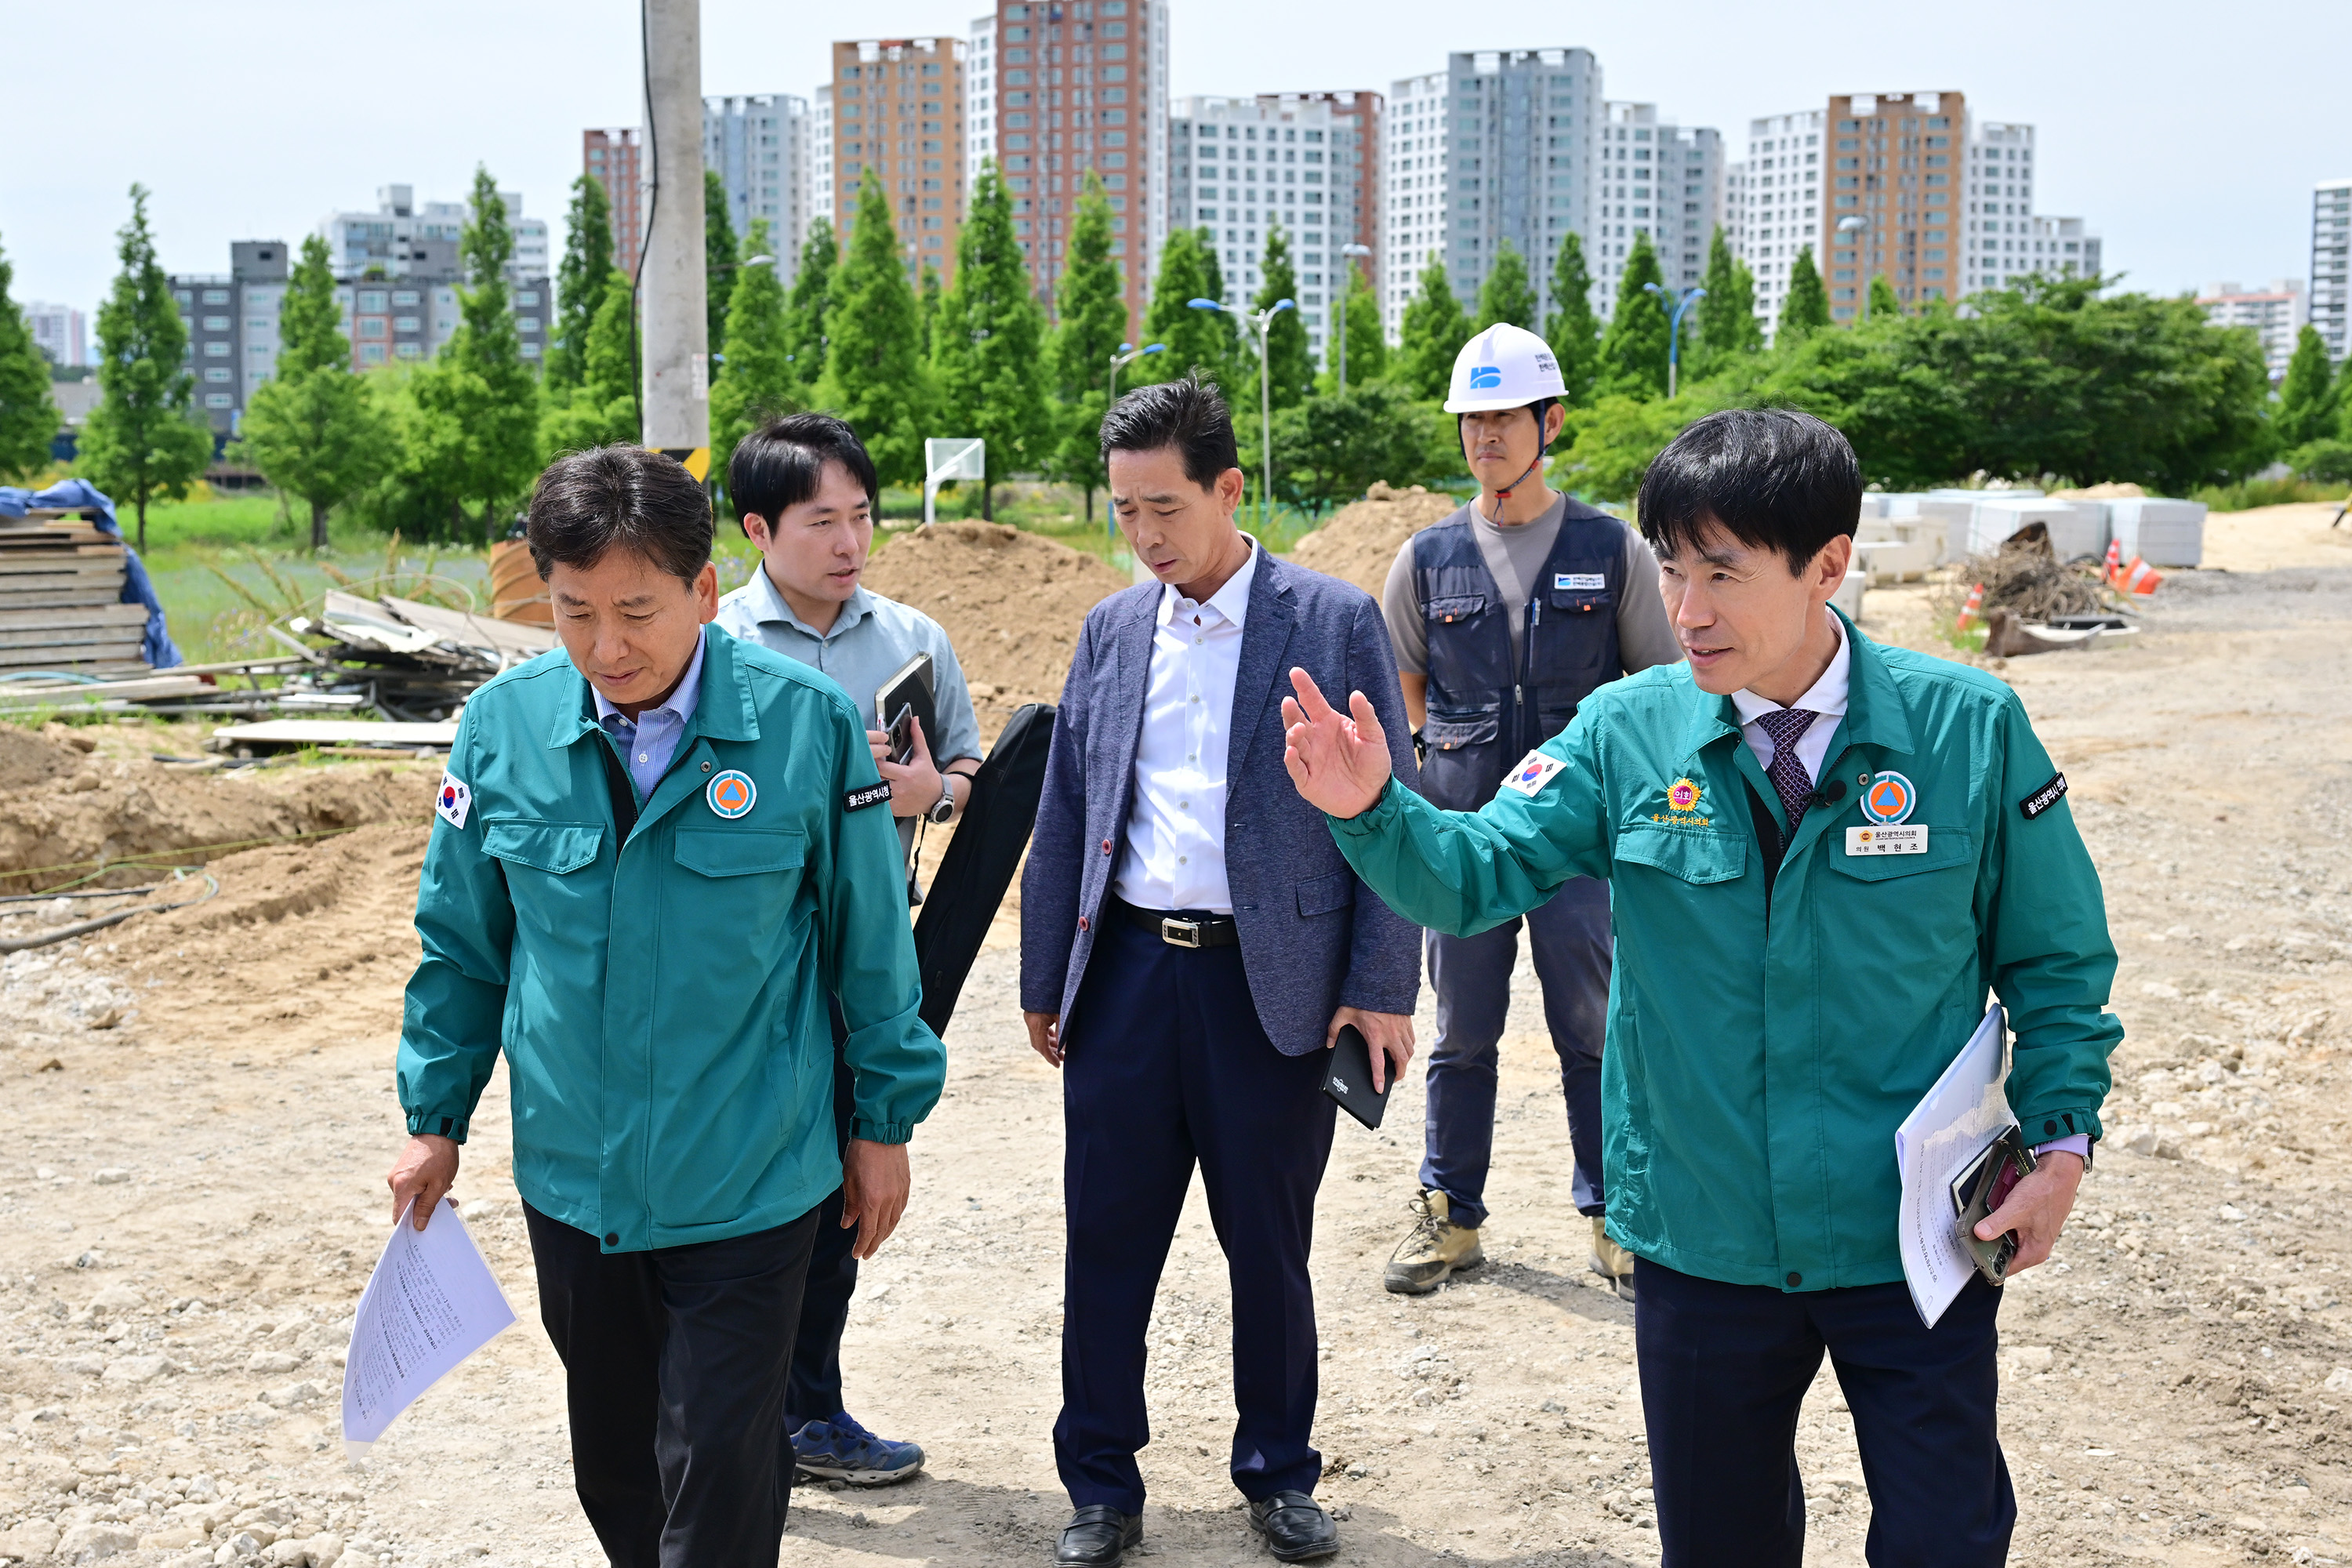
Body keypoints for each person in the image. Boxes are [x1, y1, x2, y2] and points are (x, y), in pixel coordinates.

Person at [1282, 408, 2117, 1568]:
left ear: (1829, 563)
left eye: (1722, 572)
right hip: (1703, 1238)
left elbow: (2059, 967)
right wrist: (1373, 808)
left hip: (1912, 1233)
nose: (1686, 611)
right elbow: (1478, 874)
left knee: (1946, 1537)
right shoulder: (1628, 731)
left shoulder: (1966, 730)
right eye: (1672, 569)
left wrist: (2064, 1144)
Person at [387, 445, 946, 1567]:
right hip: (576, 1179)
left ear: (703, 592)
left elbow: (871, 949)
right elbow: (462, 950)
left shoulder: (803, 726)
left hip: (751, 1178)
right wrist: (432, 1117)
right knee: (619, 1468)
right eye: (573, 611)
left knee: (725, 1470)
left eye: (636, 612)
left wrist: (883, 1126)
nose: (607, 647)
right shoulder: (502, 729)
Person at [1022, 378, 1420, 1567]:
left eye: (1165, 508)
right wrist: (1048, 975)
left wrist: (1382, 983)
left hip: (1275, 990)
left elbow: (1389, 815)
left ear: (1229, 492)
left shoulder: (1335, 619)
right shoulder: (1110, 628)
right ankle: (1100, 1482)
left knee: (1269, 1247)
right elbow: (1070, 806)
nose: (1144, 537)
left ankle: (1280, 1474)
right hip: (1131, 981)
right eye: (1124, 512)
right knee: (1104, 1243)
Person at [1377, 324, 1682, 1300]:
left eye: (1505, 417)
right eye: (1473, 420)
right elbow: (1405, 688)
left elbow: (1659, 687)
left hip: (1580, 841)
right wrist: (1454, 769)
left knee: (1594, 1024)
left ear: (1549, 422)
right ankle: (1450, 1214)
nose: (1486, 437)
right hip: (1464, 838)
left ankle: (1614, 1213)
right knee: (1462, 1026)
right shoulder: (1425, 559)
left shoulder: (1612, 549)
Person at [713, 412, 982, 1488]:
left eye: (860, 517)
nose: (848, 542)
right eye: (821, 521)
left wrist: (931, 793)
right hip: (747, 966)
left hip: (865, 960)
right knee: (749, 1192)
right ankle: (735, 1416)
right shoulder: (718, 645)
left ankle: (807, 1410)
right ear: (757, 529)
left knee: (840, 1193)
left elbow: (969, 767)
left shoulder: (911, 640)